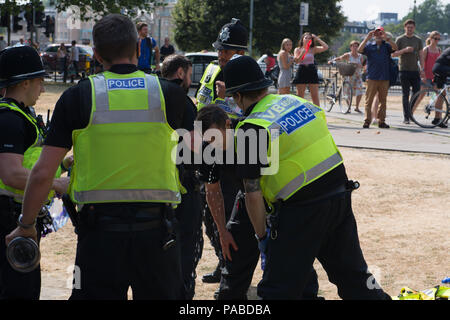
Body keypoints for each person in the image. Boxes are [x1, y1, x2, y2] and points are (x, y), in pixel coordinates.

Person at [6, 14, 189, 300]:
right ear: (138, 49)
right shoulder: (170, 95)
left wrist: (25, 225)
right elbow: (202, 158)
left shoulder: (78, 97)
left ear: (96, 54)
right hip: (158, 235)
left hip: (99, 238)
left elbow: (43, 173)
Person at [216, 55, 391, 300]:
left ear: (237, 96)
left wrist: (263, 238)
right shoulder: (294, 101)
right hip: (339, 196)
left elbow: (252, 194)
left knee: (278, 291)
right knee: (355, 278)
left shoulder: (251, 128)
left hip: (301, 212)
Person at [0, 46, 70, 299]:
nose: (42, 89)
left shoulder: (19, 116)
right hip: (8, 219)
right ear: (25, 82)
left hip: (16, 216)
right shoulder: (10, 120)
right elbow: (12, 174)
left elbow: (28, 163)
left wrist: (65, 164)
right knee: (19, 292)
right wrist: (55, 184)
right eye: (41, 82)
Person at [194, 18, 248, 286]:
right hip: (206, 150)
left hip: (231, 158)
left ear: (241, 52)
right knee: (209, 215)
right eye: (219, 49)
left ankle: (231, 269)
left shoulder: (248, 76)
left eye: (226, 50)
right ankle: (222, 260)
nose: (220, 54)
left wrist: (229, 100)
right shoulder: (213, 70)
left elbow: (251, 121)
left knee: (227, 213)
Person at [161, 54, 204, 299]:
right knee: (185, 251)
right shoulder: (183, 102)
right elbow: (195, 148)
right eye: (189, 74)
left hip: (151, 186)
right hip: (182, 187)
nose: (191, 79)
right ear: (180, 73)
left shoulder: (151, 98)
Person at [358, 27, 397, 129]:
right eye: (376, 34)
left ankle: (381, 121)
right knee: (369, 101)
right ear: (374, 35)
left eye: (380, 34)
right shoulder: (370, 46)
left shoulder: (387, 46)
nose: (378, 36)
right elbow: (359, 49)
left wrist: (387, 38)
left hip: (384, 77)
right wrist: (367, 38)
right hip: (372, 77)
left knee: (383, 101)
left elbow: (395, 47)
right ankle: (367, 121)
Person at [393, 19, 425, 124]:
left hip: (415, 70)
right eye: (408, 27)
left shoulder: (418, 40)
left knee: (416, 93)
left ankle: (410, 112)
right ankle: (406, 117)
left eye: (411, 27)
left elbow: (421, 55)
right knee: (405, 94)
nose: (410, 29)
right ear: (405, 28)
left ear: (414, 28)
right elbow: (393, 54)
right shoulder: (400, 39)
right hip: (404, 70)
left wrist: (422, 68)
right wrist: (404, 50)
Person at [293, 32, 328, 106]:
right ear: (302, 39)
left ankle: (317, 112)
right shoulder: (297, 49)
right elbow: (297, 61)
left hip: (311, 70)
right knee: (300, 96)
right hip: (302, 70)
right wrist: (302, 53)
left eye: (310, 38)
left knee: (314, 95)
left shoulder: (313, 49)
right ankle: (300, 111)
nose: (308, 39)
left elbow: (326, 47)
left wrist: (317, 39)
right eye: (306, 38)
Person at [331, 40, 365, 113]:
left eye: (356, 46)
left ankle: (357, 107)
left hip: (358, 76)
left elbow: (362, 65)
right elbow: (340, 58)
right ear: (350, 47)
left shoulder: (360, 56)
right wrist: (332, 60)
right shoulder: (348, 55)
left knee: (360, 92)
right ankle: (349, 106)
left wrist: (360, 66)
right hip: (349, 75)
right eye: (353, 46)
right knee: (347, 93)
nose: (355, 48)